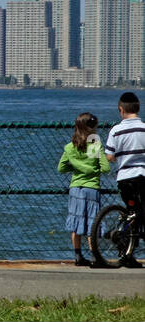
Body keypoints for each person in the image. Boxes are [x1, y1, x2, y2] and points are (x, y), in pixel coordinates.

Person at [57, 112, 108, 267]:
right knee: (92, 222)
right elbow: (104, 168)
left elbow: (61, 168)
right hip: (91, 187)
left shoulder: (70, 147)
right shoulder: (94, 144)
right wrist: (92, 170)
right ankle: (95, 256)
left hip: (75, 188)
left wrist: (77, 167)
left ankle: (78, 256)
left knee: (76, 220)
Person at [103, 91, 144, 268]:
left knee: (131, 212)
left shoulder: (116, 130)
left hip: (124, 178)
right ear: (138, 108)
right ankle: (130, 250)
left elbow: (109, 157)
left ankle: (125, 250)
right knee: (140, 214)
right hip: (142, 177)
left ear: (121, 110)